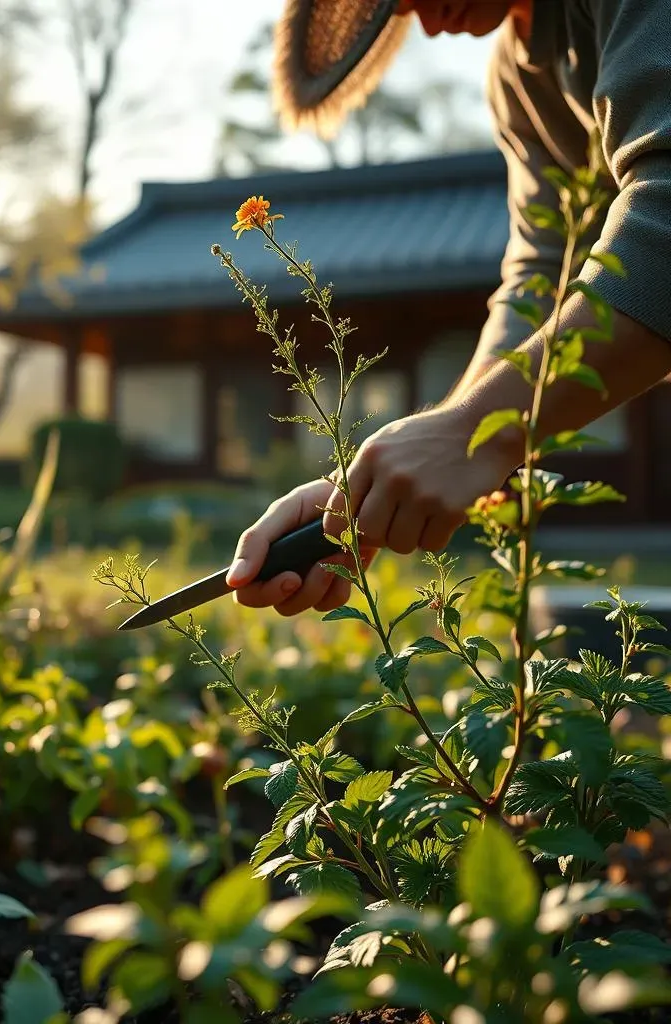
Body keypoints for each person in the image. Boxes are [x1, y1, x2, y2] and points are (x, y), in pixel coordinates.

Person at [226, 0, 671, 617]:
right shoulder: (515, 79)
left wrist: (470, 435)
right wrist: (376, 483)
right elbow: (540, 274)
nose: (424, 20)